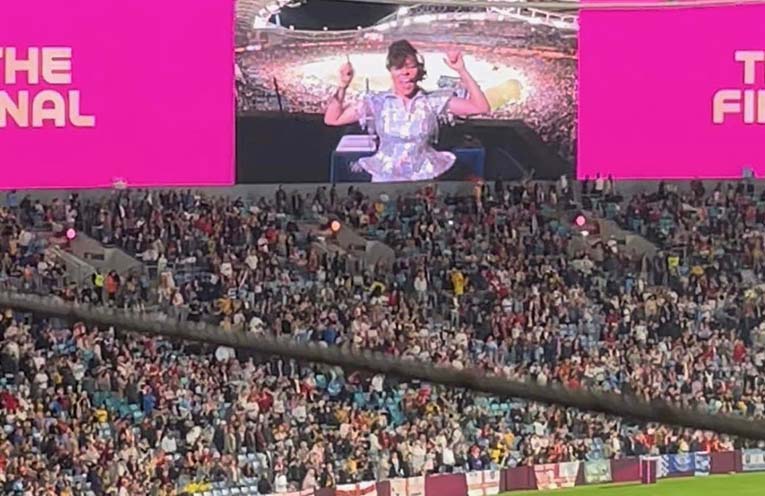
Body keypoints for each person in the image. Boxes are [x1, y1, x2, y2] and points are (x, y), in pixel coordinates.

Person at [324, 40, 490, 182]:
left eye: (411, 67)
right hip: (385, 180)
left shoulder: (432, 101)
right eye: (399, 68)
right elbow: (333, 119)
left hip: (423, 179)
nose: (406, 73)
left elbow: (480, 107)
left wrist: (461, 70)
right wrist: (343, 86)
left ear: (419, 69)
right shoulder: (377, 102)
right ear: (390, 71)